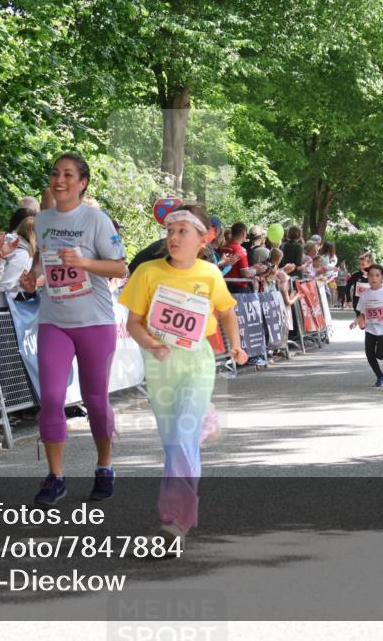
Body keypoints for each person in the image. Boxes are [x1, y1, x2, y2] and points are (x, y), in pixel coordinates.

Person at [119, 204, 248, 546]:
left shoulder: (210, 274)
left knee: (180, 438)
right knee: (173, 441)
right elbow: (133, 322)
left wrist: (235, 346)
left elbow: (228, 313)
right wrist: (152, 343)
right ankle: (203, 419)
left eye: (182, 232)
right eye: (170, 231)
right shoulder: (147, 272)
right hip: (160, 366)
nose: (174, 238)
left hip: (196, 363)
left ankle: (174, 520)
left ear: (203, 239)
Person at [19, 153, 128, 507]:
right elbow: (43, 260)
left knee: (96, 400)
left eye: (68, 175)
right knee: (51, 398)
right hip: (55, 321)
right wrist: (33, 278)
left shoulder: (96, 219)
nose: (59, 180)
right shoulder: (43, 220)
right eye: (55, 174)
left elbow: (119, 268)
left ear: (82, 183)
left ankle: (105, 466)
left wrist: (83, 262)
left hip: (95, 322)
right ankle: (55, 476)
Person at [351, 264, 383, 388]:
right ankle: (380, 376)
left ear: (382, 278)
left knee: (380, 354)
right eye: (371, 275)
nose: (374, 278)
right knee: (369, 354)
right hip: (370, 328)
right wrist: (356, 321)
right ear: (367, 277)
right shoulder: (365, 294)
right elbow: (362, 312)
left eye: (377, 276)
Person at [221, 223, 259, 293]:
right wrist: (256, 273)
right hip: (238, 289)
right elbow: (245, 273)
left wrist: (252, 267)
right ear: (244, 234)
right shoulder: (240, 250)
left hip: (223, 286)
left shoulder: (222, 247)